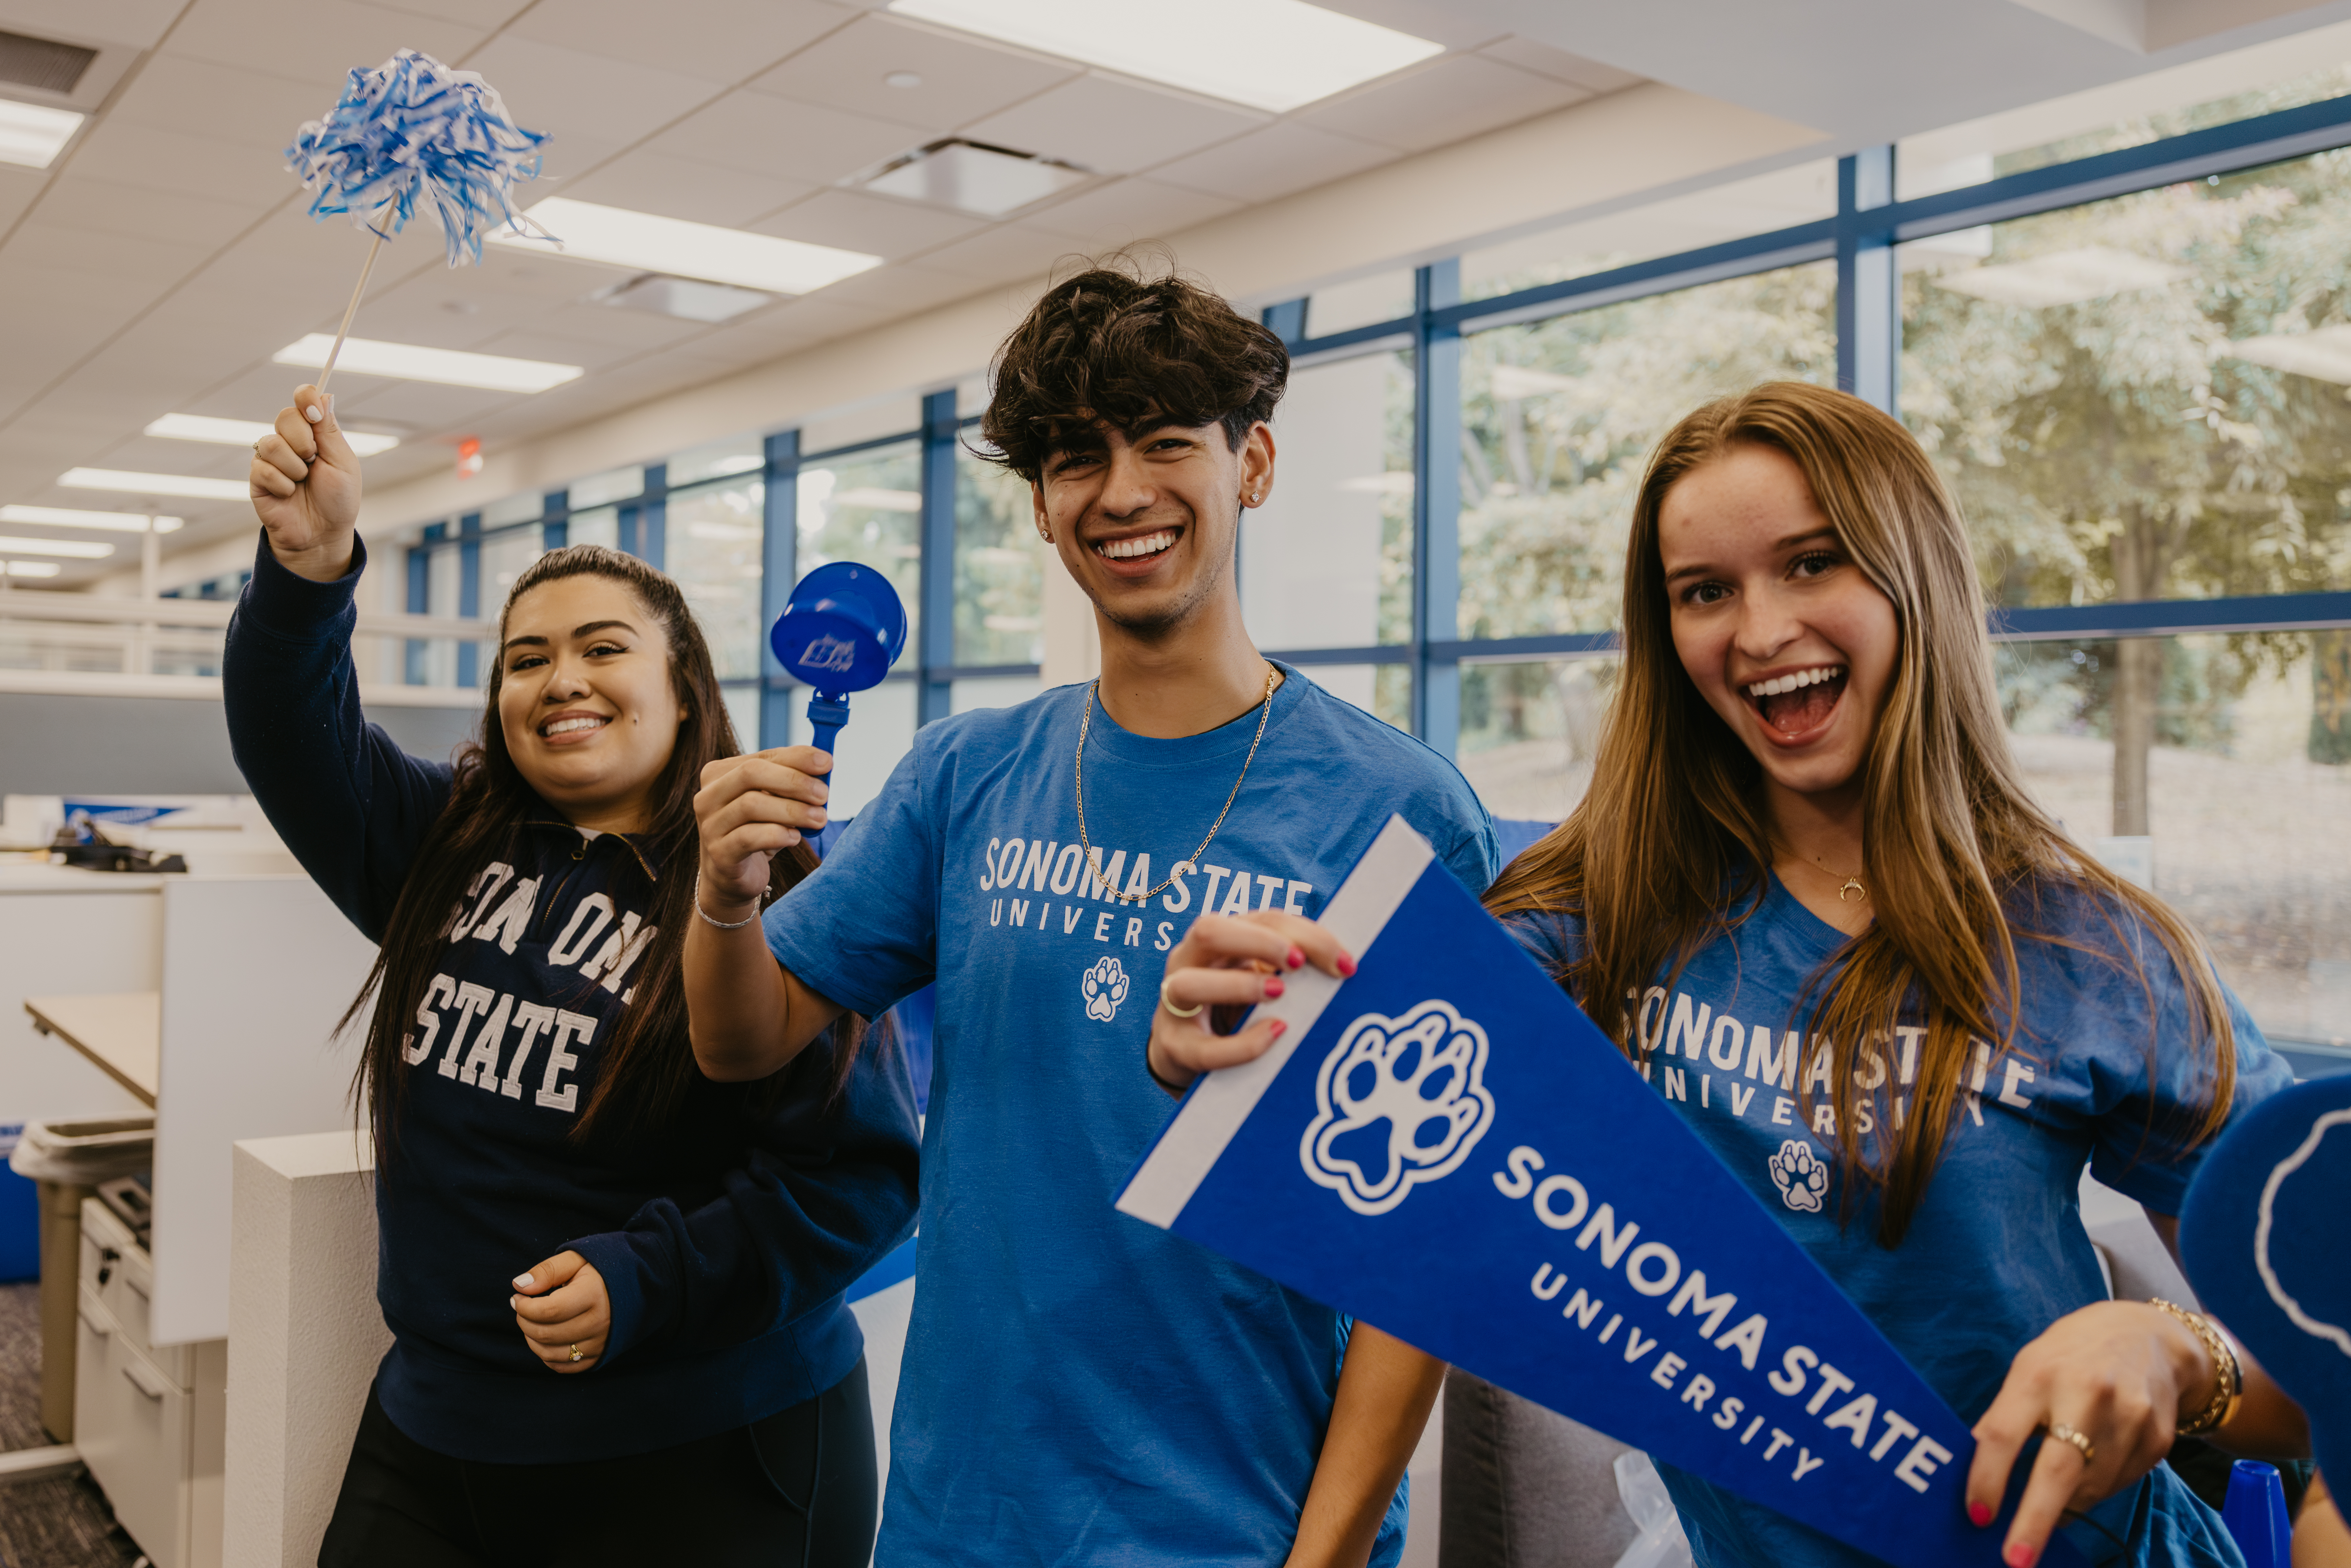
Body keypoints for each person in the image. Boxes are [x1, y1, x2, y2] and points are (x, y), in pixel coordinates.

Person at [686, 260, 1498, 1566]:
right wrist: (724, 900)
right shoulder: (966, 773)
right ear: (1044, 508)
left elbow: (1436, 1243)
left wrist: (1329, 1556)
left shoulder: (1400, 808)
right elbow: (742, 1039)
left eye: (1168, 442)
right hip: (962, 1516)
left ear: (1256, 464)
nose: (1121, 491)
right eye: (1077, 457)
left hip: (1241, 1522)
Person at [1468, 382, 2311, 1567]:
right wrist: (1233, 1021)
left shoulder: (2091, 948)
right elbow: (1338, 1097)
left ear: (1912, 577)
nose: (1758, 632)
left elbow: (2320, 1351)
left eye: (1812, 564)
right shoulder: (1597, 915)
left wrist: (2179, 1351)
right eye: (1705, 591)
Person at [230, 384, 920, 1568]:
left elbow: (853, 1184)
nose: (562, 681)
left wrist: (650, 1279)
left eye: (605, 648)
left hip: (710, 1448)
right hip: (439, 1426)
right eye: (527, 659)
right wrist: (308, 568)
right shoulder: (443, 841)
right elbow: (292, 732)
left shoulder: (768, 884)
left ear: (684, 680)